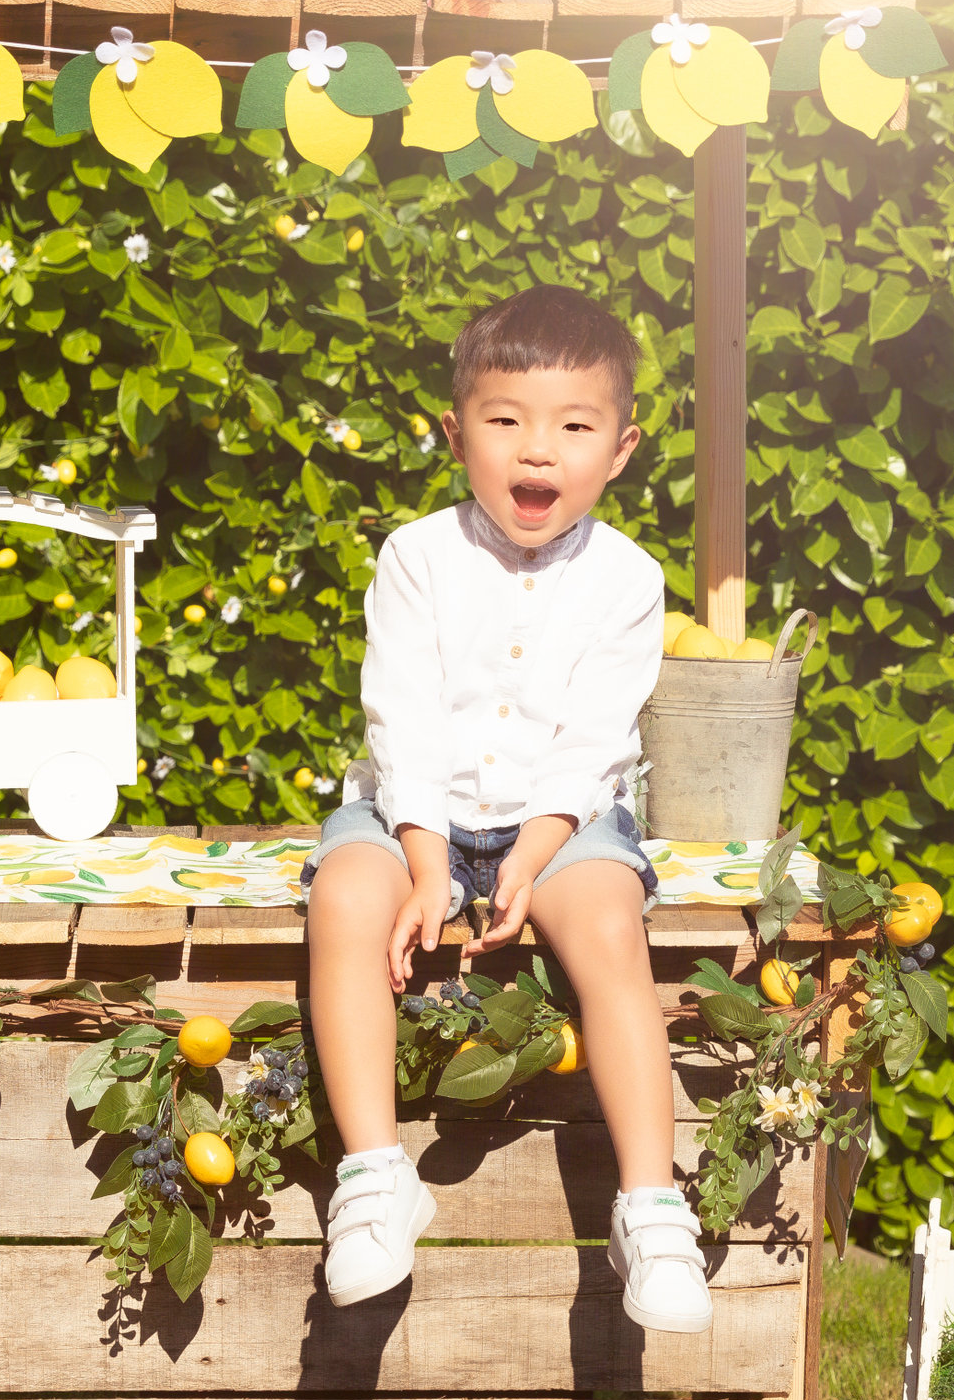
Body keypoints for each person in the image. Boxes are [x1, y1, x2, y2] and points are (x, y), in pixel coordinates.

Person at [298, 283, 710, 1333]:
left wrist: (532, 855)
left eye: (574, 427)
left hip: (559, 820)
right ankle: (378, 1176)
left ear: (619, 448)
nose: (539, 452)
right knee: (345, 897)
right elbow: (404, 717)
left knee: (610, 930)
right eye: (506, 421)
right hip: (415, 813)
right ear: (454, 433)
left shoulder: (627, 578)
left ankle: (652, 1206)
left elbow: (594, 741)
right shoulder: (416, 557)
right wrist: (426, 863)